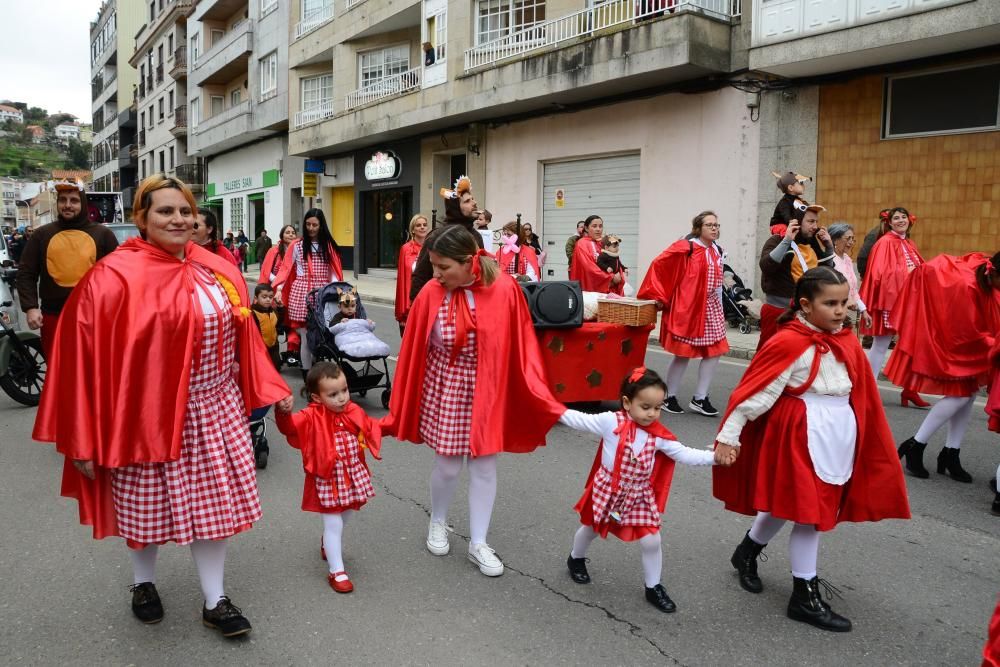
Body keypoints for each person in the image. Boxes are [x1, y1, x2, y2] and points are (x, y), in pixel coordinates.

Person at [32, 174, 292, 638]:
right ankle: (143, 583)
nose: (178, 219)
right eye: (165, 211)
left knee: (217, 510)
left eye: (185, 211)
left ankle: (215, 600)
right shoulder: (111, 277)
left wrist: (270, 386)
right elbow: (80, 361)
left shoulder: (219, 269)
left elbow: (244, 336)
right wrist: (81, 438)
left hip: (214, 408)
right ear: (142, 219)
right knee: (145, 509)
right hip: (141, 414)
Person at [713, 266, 910, 633]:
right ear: (805, 305)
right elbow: (755, 393)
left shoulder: (846, 339)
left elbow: (859, 392)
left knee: (791, 503)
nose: (840, 311)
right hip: (800, 433)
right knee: (809, 513)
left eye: (843, 303)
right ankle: (804, 596)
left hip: (837, 434)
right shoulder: (788, 341)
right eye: (830, 304)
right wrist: (730, 436)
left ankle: (747, 551)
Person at [381, 224, 565, 577]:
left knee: (484, 466)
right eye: (433, 265)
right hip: (448, 384)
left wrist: (538, 394)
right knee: (448, 464)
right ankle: (438, 520)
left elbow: (522, 347)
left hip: (488, 386)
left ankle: (479, 542)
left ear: (468, 262)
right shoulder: (432, 293)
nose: (436, 274)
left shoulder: (505, 289)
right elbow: (415, 349)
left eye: (443, 267)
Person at [559, 367, 723, 613]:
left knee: (651, 540)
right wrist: (548, 408)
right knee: (591, 527)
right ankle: (576, 558)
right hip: (608, 489)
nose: (652, 414)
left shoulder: (659, 437)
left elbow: (685, 453)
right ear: (627, 402)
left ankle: (653, 586)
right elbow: (576, 418)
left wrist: (715, 458)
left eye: (657, 408)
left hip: (639, 495)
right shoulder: (609, 421)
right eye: (645, 407)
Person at [888, 251, 1000, 487]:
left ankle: (951, 452)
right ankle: (916, 445)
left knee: (967, 396)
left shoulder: (984, 274)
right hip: (951, 340)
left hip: (964, 337)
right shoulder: (968, 286)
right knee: (960, 397)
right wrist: (995, 343)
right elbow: (966, 332)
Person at [276, 362, 382, 594]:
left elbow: (372, 427)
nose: (342, 398)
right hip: (327, 477)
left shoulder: (353, 410)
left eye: (344, 390)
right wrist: (283, 412)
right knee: (333, 523)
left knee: (347, 513)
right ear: (317, 397)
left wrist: (398, 423)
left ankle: (327, 542)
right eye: (333, 394)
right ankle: (337, 571)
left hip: (352, 473)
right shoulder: (310, 415)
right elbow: (289, 429)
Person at [638, 211, 728, 417]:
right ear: (699, 228)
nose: (714, 228)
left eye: (716, 225)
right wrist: (660, 295)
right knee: (683, 354)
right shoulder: (687, 246)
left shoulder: (717, 249)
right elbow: (659, 264)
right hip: (688, 307)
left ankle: (700, 397)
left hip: (711, 308)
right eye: (709, 225)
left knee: (715, 352)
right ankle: (669, 396)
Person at [15, 179, 119, 358]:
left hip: (93, 318)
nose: (67, 205)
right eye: (62, 200)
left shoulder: (103, 234)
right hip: (54, 316)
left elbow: (118, 277)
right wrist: (31, 307)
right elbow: (26, 273)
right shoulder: (41, 234)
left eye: (74, 200)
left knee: (92, 370)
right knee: (58, 369)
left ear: (83, 203)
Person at [857, 207, 929, 408]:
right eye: (896, 218)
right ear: (889, 223)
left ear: (909, 220)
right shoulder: (884, 243)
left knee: (912, 346)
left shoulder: (909, 243)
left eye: (903, 217)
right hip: (892, 300)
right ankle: (868, 389)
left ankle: (910, 389)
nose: (900, 220)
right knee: (881, 344)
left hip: (910, 301)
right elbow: (878, 274)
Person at [273, 209, 343, 378]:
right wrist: (279, 289)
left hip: (322, 293)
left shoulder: (329, 246)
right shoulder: (296, 245)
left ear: (321, 225)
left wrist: (336, 292)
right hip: (302, 292)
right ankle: (307, 375)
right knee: (305, 336)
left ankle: (315, 372)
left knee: (320, 336)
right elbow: (286, 269)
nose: (311, 228)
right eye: (308, 224)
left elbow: (334, 272)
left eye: (315, 225)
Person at [756, 204, 835, 350]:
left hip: (804, 312)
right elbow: (766, 266)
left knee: (798, 358)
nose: (815, 226)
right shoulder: (777, 240)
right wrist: (786, 240)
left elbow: (826, 273)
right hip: (778, 311)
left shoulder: (811, 244)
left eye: (816, 222)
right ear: (797, 221)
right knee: (768, 355)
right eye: (811, 221)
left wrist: (829, 246)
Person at [409, 176, 484, 302]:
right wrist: (417, 310)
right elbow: (421, 276)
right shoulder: (438, 236)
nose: (474, 203)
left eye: (472, 199)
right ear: (455, 208)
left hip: (472, 302)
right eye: (467, 201)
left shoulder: (476, 236)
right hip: (442, 303)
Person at [259, 224, 299, 365]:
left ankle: (292, 351)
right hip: (277, 290)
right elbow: (266, 270)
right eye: (287, 232)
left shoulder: (298, 249)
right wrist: (277, 281)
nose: (290, 234)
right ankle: (271, 354)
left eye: (293, 232)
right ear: (282, 235)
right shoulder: (274, 251)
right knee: (276, 322)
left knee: (293, 323)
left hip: (294, 289)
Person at [827, 222, 873, 330]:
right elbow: (827, 289)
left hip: (842, 313)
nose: (851, 242)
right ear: (835, 239)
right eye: (848, 238)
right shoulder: (829, 260)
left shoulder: (847, 259)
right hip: (830, 314)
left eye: (853, 239)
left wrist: (863, 310)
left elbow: (853, 291)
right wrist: (845, 300)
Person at [570, 215, 625, 295]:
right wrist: (611, 278)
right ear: (586, 228)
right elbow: (588, 267)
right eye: (594, 226)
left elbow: (615, 259)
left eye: (600, 226)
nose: (598, 229)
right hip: (591, 290)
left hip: (609, 288)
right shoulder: (581, 244)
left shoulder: (603, 243)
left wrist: (619, 273)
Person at [395, 214, 429, 335]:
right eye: (418, 225)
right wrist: (403, 313)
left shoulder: (432, 247)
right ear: (413, 230)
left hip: (426, 298)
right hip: (411, 299)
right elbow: (402, 282)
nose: (422, 227)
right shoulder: (405, 249)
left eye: (425, 225)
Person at [768, 171, 812, 238]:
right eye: (801, 183)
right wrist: (790, 220)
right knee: (786, 231)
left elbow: (807, 208)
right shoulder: (784, 202)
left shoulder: (799, 200)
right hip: (778, 225)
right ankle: (788, 244)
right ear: (791, 188)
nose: (803, 186)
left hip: (789, 224)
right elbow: (786, 215)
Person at [251, 283, 281, 369]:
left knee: (275, 367)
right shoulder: (253, 313)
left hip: (274, 346)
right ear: (256, 298)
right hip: (260, 348)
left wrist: (281, 309)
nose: (268, 299)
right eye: (264, 297)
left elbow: (279, 324)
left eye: (270, 297)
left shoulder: (273, 311)